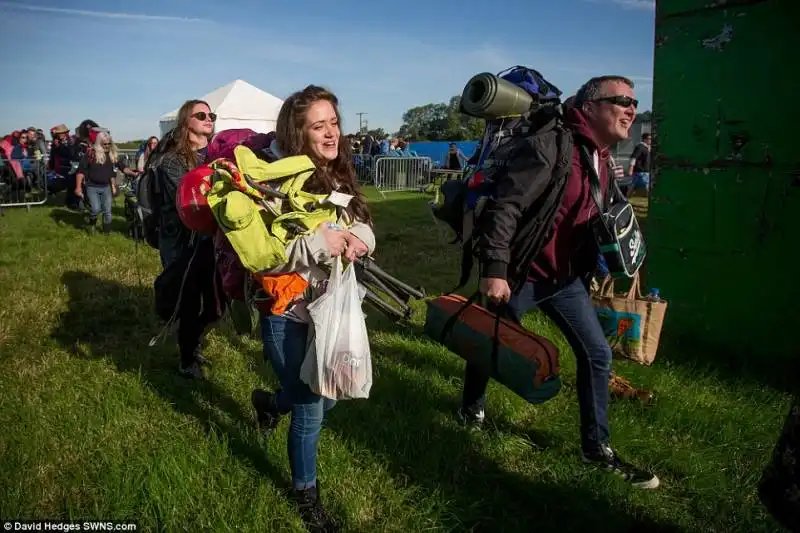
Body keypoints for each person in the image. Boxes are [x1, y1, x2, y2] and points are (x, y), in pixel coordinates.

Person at [459, 75, 659, 489]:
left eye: (634, 102)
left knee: (597, 355)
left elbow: (604, 212)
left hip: (566, 279)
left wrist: (620, 255)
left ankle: (595, 449)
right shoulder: (548, 145)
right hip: (522, 275)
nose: (631, 109)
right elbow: (508, 208)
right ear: (589, 106)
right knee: (490, 341)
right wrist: (495, 270)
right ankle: (471, 408)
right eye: (622, 100)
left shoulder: (603, 156)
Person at [250, 85, 375, 532]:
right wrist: (318, 244)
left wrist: (363, 237)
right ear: (296, 131)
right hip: (285, 310)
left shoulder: (337, 171)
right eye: (318, 126)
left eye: (334, 123)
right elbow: (263, 255)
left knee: (328, 395)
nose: (330, 133)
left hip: (331, 307)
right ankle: (307, 497)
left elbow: (361, 219)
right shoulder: (269, 177)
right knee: (310, 408)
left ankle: (268, 403)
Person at [154, 99, 217, 378]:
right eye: (200, 115)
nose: (208, 118)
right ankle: (187, 359)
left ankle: (193, 340)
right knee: (190, 303)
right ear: (186, 122)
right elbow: (189, 203)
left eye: (211, 115)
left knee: (217, 303)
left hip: (212, 240)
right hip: (182, 243)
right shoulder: (172, 161)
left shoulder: (216, 155)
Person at [74, 130, 137, 233]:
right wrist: (78, 187)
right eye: (104, 144)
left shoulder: (112, 155)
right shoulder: (90, 154)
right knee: (95, 209)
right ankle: (92, 224)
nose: (107, 146)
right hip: (92, 187)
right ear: (99, 143)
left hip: (107, 187)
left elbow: (123, 168)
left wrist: (134, 173)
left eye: (109, 144)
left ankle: (107, 231)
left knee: (107, 211)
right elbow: (80, 172)